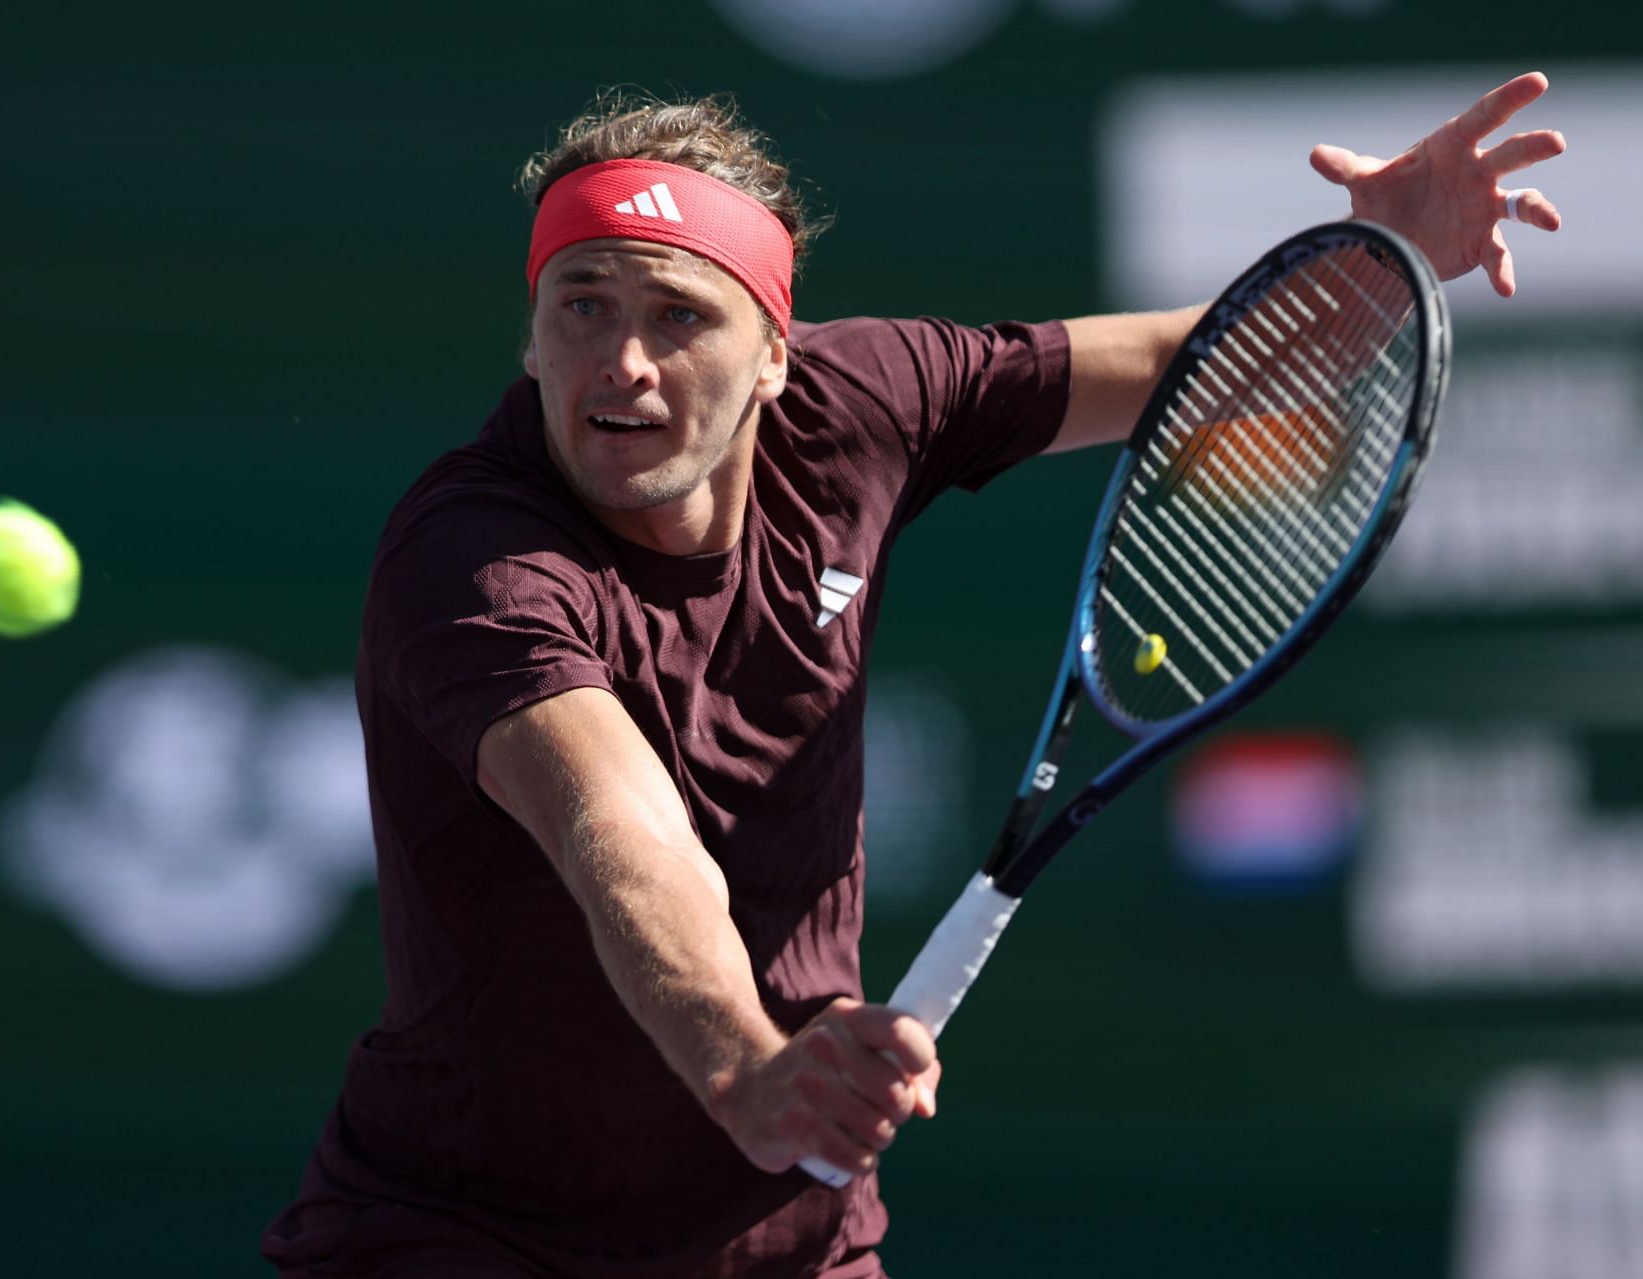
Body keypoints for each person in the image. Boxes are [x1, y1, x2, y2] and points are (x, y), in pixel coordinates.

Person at [263, 74, 1565, 1278]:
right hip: (462, 1236)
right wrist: (746, 1069)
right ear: (533, 341)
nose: (626, 365)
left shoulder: (866, 401)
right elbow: (620, 829)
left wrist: (1383, 269)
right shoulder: (473, 559)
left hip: (789, 1238)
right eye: (584, 306)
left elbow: (1196, 367)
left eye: (680, 317)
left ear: (777, 354)